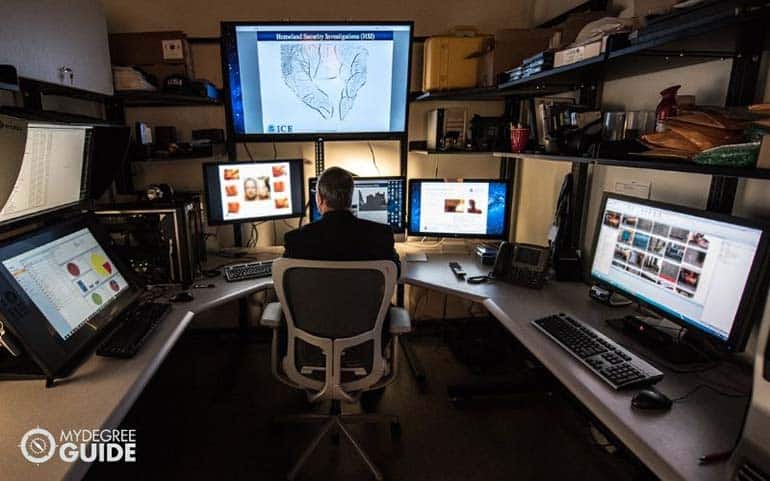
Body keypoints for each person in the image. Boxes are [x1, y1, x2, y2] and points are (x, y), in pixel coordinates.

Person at [284, 166, 400, 275]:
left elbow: (286, 277)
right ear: (350, 197)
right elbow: (395, 272)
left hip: (318, 296)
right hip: (362, 296)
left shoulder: (296, 240)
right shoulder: (382, 235)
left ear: (319, 198)